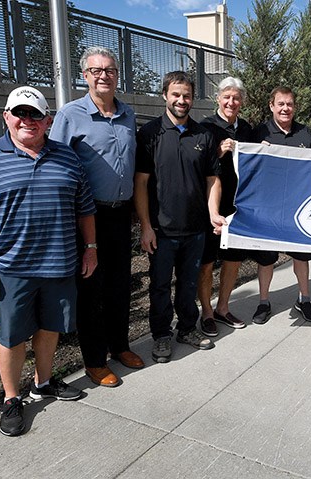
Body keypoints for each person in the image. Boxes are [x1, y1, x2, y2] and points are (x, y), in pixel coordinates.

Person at [0, 86, 97, 436]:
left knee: (50, 328)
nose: (27, 120)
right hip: (13, 270)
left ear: (48, 120)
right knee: (13, 335)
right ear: (6, 117)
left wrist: (91, 247)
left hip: (60, 264)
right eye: (19, 113)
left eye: (35, 114)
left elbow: (85, 210)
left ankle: (43, 382)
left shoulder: (67, 157)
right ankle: (12, 397)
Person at [50, 46, 142, 388]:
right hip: (88, 216)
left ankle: (120, 346)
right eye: (96, 70)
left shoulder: (128, 114)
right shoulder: (70, 115)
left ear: (117, 75)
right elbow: (58, 166)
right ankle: (94, 360)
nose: (104, 75)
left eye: (110, 70)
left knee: (120, 287)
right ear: (85, 76)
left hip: (121, 216)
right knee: (92, 292)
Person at [134, 71, 224, 363]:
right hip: (161, 230)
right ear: (165, 95)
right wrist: (146, 226)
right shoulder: (149, 134)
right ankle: (161, 336)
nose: (181, 100)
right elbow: (141, 183)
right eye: (176, 94)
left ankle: (187, 329)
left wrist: (213, 213)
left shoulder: (204, 135)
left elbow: (213, 179)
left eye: (186, 95)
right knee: (159, 287)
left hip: (196, 229)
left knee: (188, 285)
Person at [251, 87, 311, 323]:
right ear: (271, 106)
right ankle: (263, 302)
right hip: (268, 208)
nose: (285, 108)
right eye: (280, 104)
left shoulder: (305, 133)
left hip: (297, 208)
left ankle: (304, 299)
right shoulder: (258, 132)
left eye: (289, 104)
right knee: (266, 259)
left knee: (301, 257)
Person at [198, 77, 256, 335]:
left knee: (233, 260)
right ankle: (206, 313)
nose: (231, 102)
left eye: (236, 98)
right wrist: (218, 153)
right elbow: (194, 165)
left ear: (241, 101)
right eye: (227, 97)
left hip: (238, 205)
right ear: (218, 99)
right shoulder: (205, 127)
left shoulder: (246, 129)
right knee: (207, 262)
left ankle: (223, 308)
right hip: (211, 206)